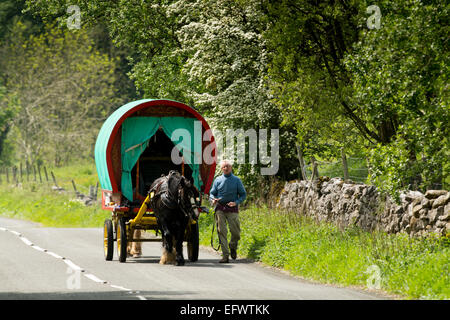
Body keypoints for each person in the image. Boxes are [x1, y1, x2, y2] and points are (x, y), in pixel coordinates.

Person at [209, 159, 247, 263]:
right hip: (220, 208)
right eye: (224, 167)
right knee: (222, 231)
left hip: (232, 208)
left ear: (231, 168)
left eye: (227, 166)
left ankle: (233, 246)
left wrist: (236, 202)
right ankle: (225, 256)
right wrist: (213, 199)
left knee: (236, 233)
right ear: (221, 169)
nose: (226, 168)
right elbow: (212, 194)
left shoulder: (237, 180)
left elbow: (243, 194)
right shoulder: (217, 180)